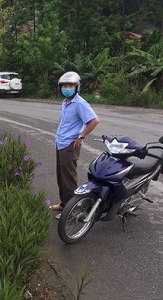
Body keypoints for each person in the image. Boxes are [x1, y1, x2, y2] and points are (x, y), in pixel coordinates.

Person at [50, 71, 100, 220]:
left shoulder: (80, 103)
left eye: (70, 85)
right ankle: (64, 203)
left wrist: (81, 136)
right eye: (64, 86)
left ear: (76, 87)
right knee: (61, 177)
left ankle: (73, 209)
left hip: (70, 146)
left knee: (69, 179)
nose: (67, 88)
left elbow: (94, 121)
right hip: (61, 143)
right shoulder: (65, 102)